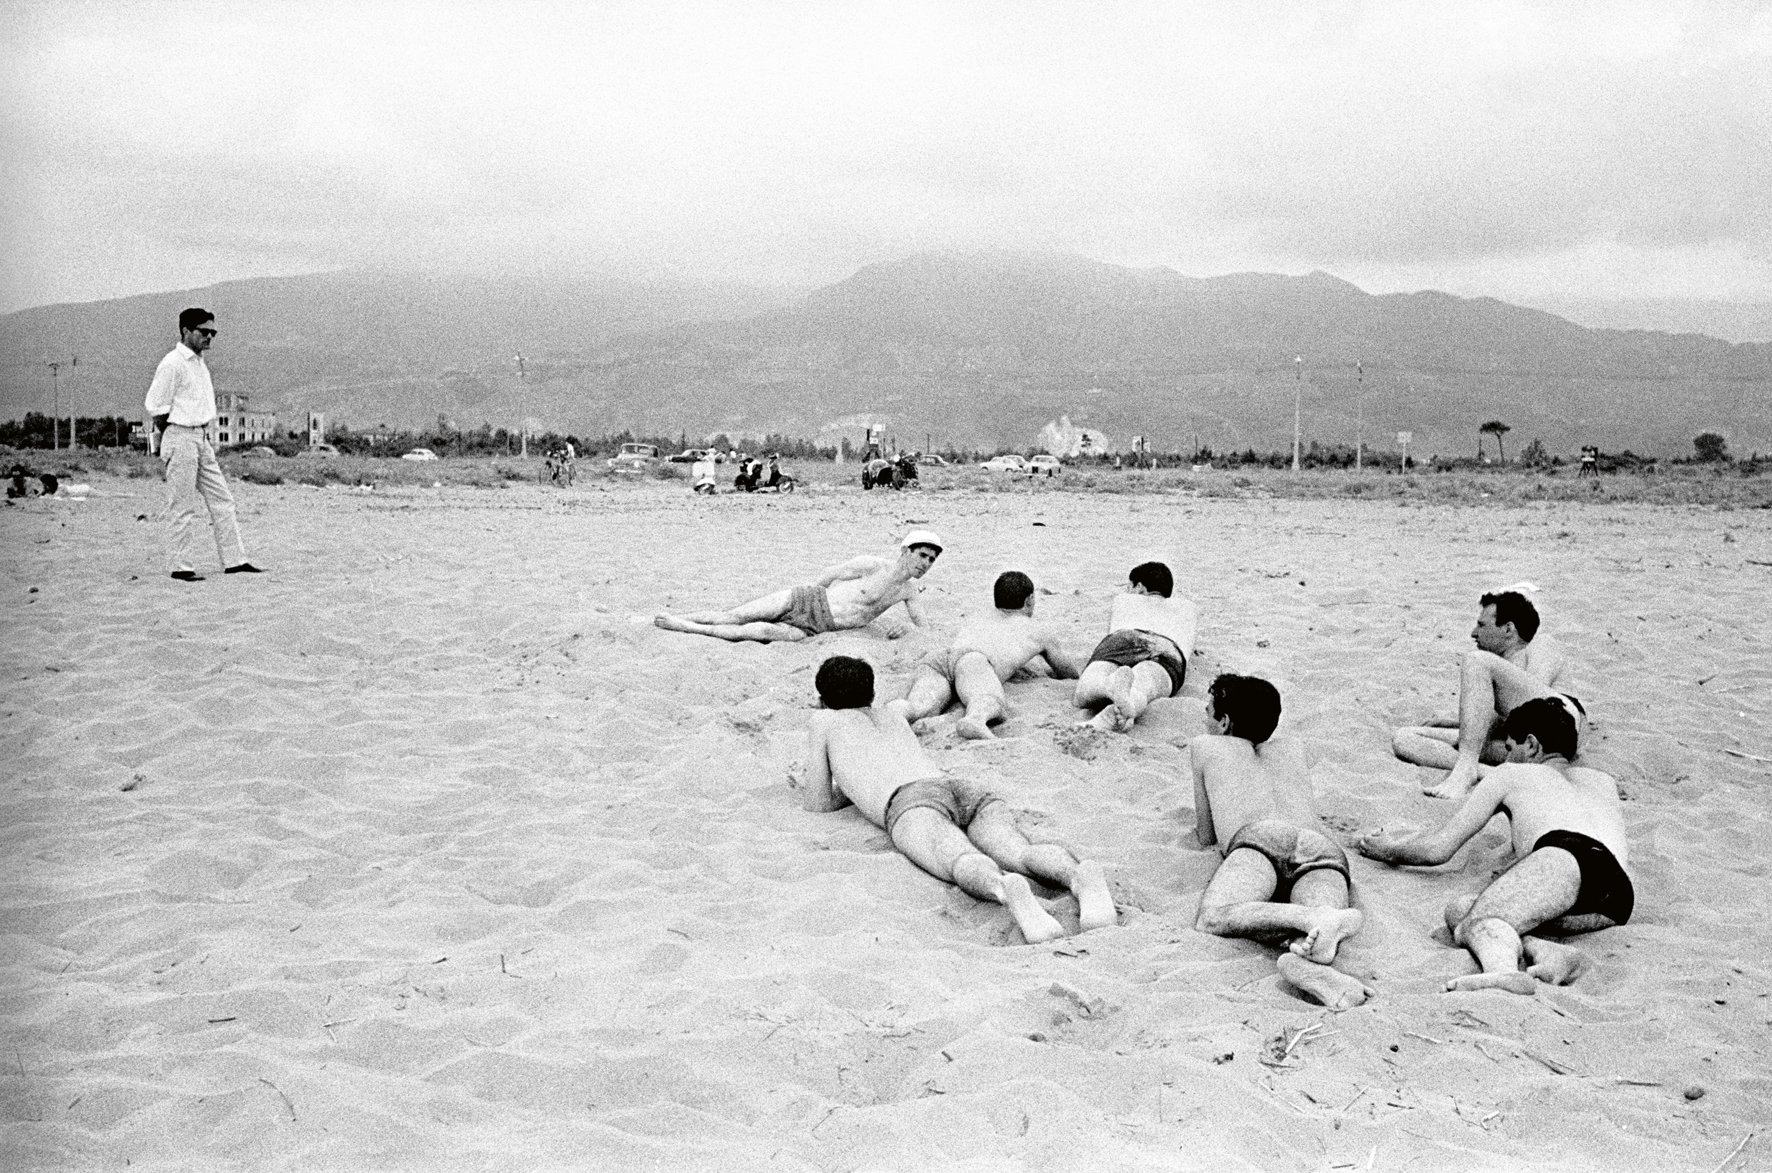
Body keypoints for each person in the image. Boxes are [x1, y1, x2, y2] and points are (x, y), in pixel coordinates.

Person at [799, 655, 1116, 942]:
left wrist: (853, 790)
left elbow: (818, 803)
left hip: (911, 803)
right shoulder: (893, 713)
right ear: (871, 695)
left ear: (822, 701)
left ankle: (1003, 887)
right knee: (1021, 850)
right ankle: (1077, 876)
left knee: (958, 859)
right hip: (957, 786)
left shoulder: (823, 721)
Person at [1357, 698, 1631, 995]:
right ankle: (1549, 953)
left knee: (1477, 922)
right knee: (1460, 911)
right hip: (1616, 896)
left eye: (1510, 749)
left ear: (1532, 745)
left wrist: (1388, 849)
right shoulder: (1602, 781)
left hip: (1565, 857)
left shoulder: (1511, 774)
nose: (1505, 758)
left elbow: (1439, 849)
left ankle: (1502, 972)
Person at [1191, 674, 1373, 1009]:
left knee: (1214, 916)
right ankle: (1317, 943)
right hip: (1321, 847)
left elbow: (1207, 836)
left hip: (1261, 838)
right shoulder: (1293, 748)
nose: (1204, 719)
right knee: (1322, 928)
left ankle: (1302, 918)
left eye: (1207, 712)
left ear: (1224, 722)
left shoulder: (1206, 746)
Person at [1393, 589, 1584, 799]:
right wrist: (1460, 724)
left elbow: (1539, 707)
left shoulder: (1540, 645)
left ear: (1509, 629)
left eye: (1482, 625)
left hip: (1561, 723)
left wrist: (1480, 727)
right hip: (1525, 746)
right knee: (1405, 738)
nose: (1474, 633)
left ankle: (1466, 768)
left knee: (1476, 660)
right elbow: (1512, 714)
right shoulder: (1498, 674)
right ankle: (1488, 772)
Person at [889, 571, 1085, 740]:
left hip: (941, 659)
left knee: (919, 707)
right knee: (988, 699)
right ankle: (975, 719)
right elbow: (1068, 673)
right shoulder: (1038, 631)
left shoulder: (980, 616)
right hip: (973, 661)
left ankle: (895, 712)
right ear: (1030, 600)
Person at [143, 308, 262, 582]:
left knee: (222, 499)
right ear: (186, 331)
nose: (210, 337)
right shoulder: (172, 363)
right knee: (182, 504)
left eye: (213, 332)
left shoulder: (199, 363)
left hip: (201, 438)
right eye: (204, 331)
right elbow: (156, 406)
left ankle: (235, 560)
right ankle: (181, 566)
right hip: (180, 436)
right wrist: (175, 432)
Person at [655, 530, 942, 643]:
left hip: (819, 628)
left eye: (930, 560)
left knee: (759, 631)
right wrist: (807, 596)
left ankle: (689, 628)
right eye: (922, 555)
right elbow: (831, 573)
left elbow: (923, 626)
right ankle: (680, 619)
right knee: (736, 615)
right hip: (807, 601)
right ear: (906, 551)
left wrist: (907, 628)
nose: (925, 563)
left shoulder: (907, 592)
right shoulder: (873, 565)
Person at [1073, 562, 1196, 732]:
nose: (1127, 591)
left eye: (1128, 586)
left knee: (1086, 689)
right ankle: (1128, 705)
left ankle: (1109, 686)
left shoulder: (1124, 601)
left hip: (1125, 638)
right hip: (1167, 647)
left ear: (1139, 587)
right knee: (1145, 685)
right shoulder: (1188, 609)